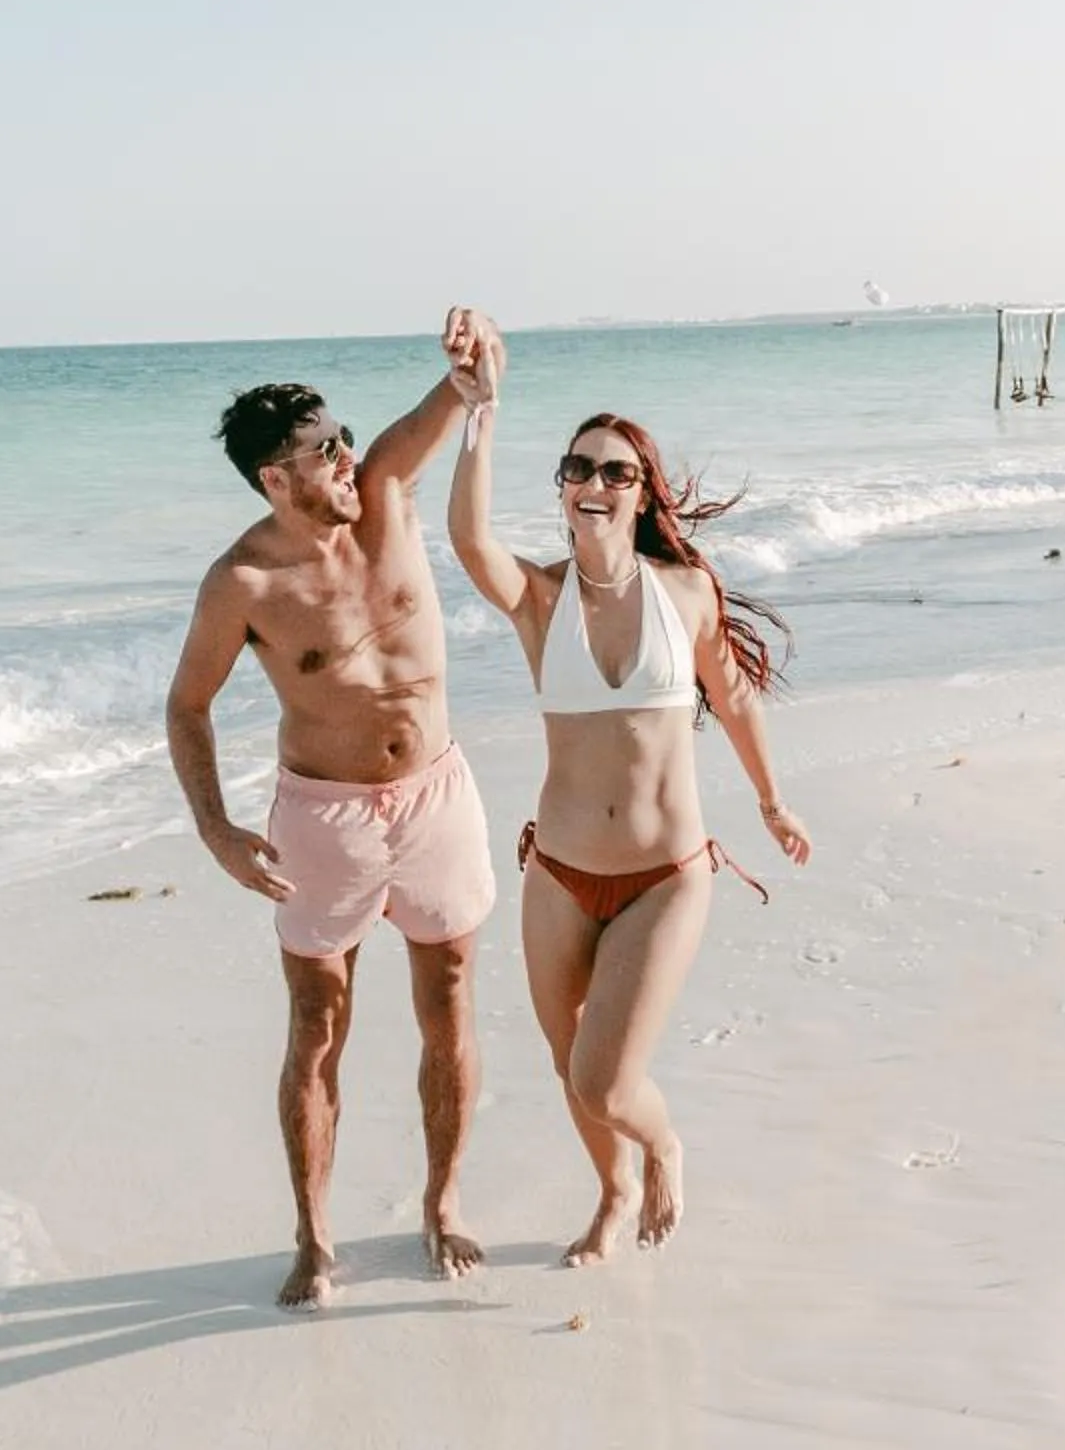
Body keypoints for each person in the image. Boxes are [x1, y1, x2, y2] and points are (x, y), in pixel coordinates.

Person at [446, 333, 810, 1262]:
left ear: (641, 493)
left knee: (605, 1082)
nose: (594, 482)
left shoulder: (684, 592)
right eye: (578, 468)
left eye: (615, 470)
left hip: (664, 876)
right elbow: (467, 539)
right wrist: (480, 411)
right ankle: (612, 1194)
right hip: (558, 875)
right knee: (569, 1066)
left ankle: (663, 1146)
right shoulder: (539, 598)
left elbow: (734, 698)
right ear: (562, 489)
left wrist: (771, 802)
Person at [166, 315, 502, 1307]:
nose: (347, 456)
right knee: (318, 1023)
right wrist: (217, 830)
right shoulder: (244, 581)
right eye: (324, 451)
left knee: (449, 997)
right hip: (325, 817)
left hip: (436, 796)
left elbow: (462, 393)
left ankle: (442, 1203)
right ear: (276, 477)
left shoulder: (385, 493)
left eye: (343, 436)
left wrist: (474, 357)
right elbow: (186, 706)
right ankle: (313, 1237)